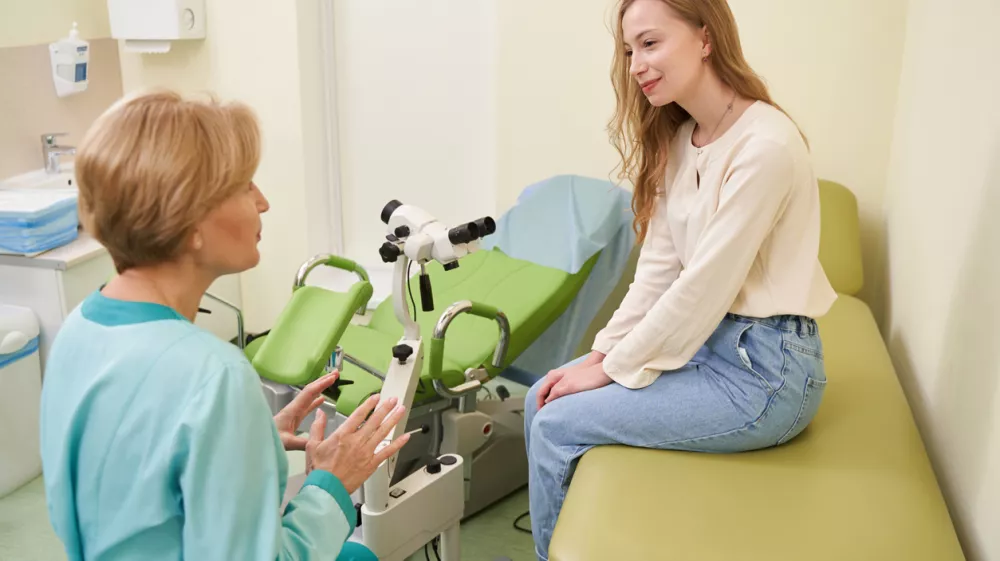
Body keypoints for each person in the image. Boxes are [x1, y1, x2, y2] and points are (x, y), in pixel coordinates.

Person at [523, 0, 838, 558]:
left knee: (556, 423)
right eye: (628, 51)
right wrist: (602, 355)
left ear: (705, 37)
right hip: (706, 347)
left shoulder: (765, 145)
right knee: (539, 398)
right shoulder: (682, 138)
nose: (636, 64)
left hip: (764, 375)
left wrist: (616, 369)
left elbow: (701, 291)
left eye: (650, 43)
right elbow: (659, 272)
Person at [38, 90, 411, 560]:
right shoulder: (212, 374)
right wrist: (331, 484)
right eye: (244, 186)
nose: (264, 203)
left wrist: (250, 441)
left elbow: (124, 473)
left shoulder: (79, 328)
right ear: (189, 218)